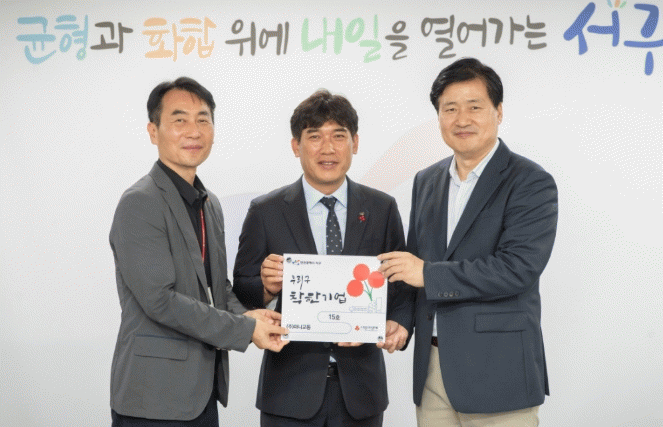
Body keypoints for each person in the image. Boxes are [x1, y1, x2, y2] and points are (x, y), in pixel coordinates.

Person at [379, 57, 558, 427]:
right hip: (431, 371)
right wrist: (401, 321)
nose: (462, 119)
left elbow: (516, 269)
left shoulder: (530, 181)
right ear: (439, 117)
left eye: (474, 107)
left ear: (498, 111)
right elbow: (414, 265)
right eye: (450, 109)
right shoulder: (426, 181)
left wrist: (428, 274)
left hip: (499, 371)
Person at [109, 77, 288, 427]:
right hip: (153, 398)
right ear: (153, 131)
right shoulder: (140, 202)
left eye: (203, 120)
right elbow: (160, 300)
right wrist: (244, 328)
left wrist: (251, 315)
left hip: (201, 393)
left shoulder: (210, 204)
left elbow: (215, 288)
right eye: (179, 119)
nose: (193, 131)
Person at [232, 89, 413, 427]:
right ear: (296, 145)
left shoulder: (382, 208)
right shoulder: (266, 211)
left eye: (338, 136)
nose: (327, 148)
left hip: (361, 392)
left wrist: (399, 323)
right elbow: (241, 288)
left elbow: (401, 286)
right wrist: (266, 289)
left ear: (355, 143)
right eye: (314, 136)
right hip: (288, 392)